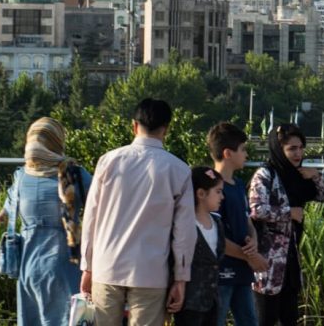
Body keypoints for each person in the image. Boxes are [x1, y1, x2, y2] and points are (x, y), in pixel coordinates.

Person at [81, 98, 196, 326]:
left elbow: (90, 217)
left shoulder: (108, 162)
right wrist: (181, 278)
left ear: (134, 125)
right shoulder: (179, 170)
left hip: (106, 265)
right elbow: (184, 232)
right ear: (166, 129)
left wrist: (87, 266)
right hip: (151, 271)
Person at [0, 118, 93, 326]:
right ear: (57, 142)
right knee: (67, 319)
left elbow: (3, 214)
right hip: (65, 263)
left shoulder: (21, 177)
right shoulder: (74, 174)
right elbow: (103, 203)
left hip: (28, 266)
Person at [250, 125, 324, 325]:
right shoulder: (265, 174)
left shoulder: (299, 175)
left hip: (291, 260)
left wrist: (316, 176)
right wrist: (289, 213)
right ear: (279, 149)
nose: (298, 153)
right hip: (267, 262)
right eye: (292, 148)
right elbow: (256, 209)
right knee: (265, 319)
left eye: (301, 148)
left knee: (290, 318)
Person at [207, 122, 268, 326]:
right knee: (217, 319)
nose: (246, 155)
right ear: (227, 153)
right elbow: (214, 236)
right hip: (222, 270)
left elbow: (247, 219)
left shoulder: (239, 184)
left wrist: (254, 242)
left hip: (243, 270)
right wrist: (251, 257)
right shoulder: (212, 188)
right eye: (242, 149)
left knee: (249, 320)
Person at [177, 167, 227, 326]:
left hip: (212, 301)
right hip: (189, 303)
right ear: (201, 193)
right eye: (218, 192)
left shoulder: (217, 222)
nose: (222, 197)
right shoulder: (185, 223)